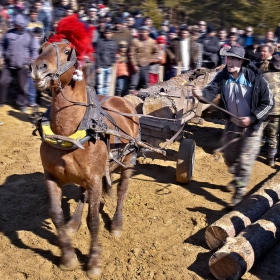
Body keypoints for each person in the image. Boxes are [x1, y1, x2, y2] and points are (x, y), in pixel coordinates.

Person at [192, 46, 273, 208]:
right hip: (232, 124)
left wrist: (252, 118)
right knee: (229, 157)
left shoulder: (256, 79)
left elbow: (268, 103)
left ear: (242, 61)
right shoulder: (223, 76)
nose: (229, 62)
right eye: (228, 58)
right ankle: (237, 176)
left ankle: (238, 193)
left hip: (252, 127)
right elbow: (211, 91)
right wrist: (202, 95)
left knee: (245, 161)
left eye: (234, 58)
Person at [0, 13, 39, 111]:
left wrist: (29, 62)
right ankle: (1, 101)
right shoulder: (9, 33)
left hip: (22, 65)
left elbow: (35, 50)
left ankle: (22, 104)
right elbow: (1, 45)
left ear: (23, 24)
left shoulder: (30, 36)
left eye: (18, 24)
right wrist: (1, 56)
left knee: (22, 86)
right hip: (8, 64)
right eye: (15, 24)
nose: (16, 26)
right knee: (2, 82)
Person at [129, 25, 159, 90]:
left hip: (146, 65)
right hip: (137, 65)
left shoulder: (152, 41)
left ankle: (144, 98)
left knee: (145, 83)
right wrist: (134, 65)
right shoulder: (135, 41)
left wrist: (152, 59)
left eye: (144, 32)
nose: (143, 33)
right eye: (141, 31)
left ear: (148, 32)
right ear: (139, 32)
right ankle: (131, 97)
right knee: (133, 83)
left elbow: (157, 52)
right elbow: (131, 54)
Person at [95, 26, 117, 95]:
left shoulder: (114, 43)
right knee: (100, 84)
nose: (108, 34)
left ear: (112, 34)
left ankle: (105, 98)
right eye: (106, 33)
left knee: (107, 84)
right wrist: (97, 66)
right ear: (104, 34)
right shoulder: (100, 42)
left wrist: (113, 63)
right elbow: (97, 54)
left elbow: (114, 55)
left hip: (109, 67)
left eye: (109, 33)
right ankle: (100, 98)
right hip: (101, 66)